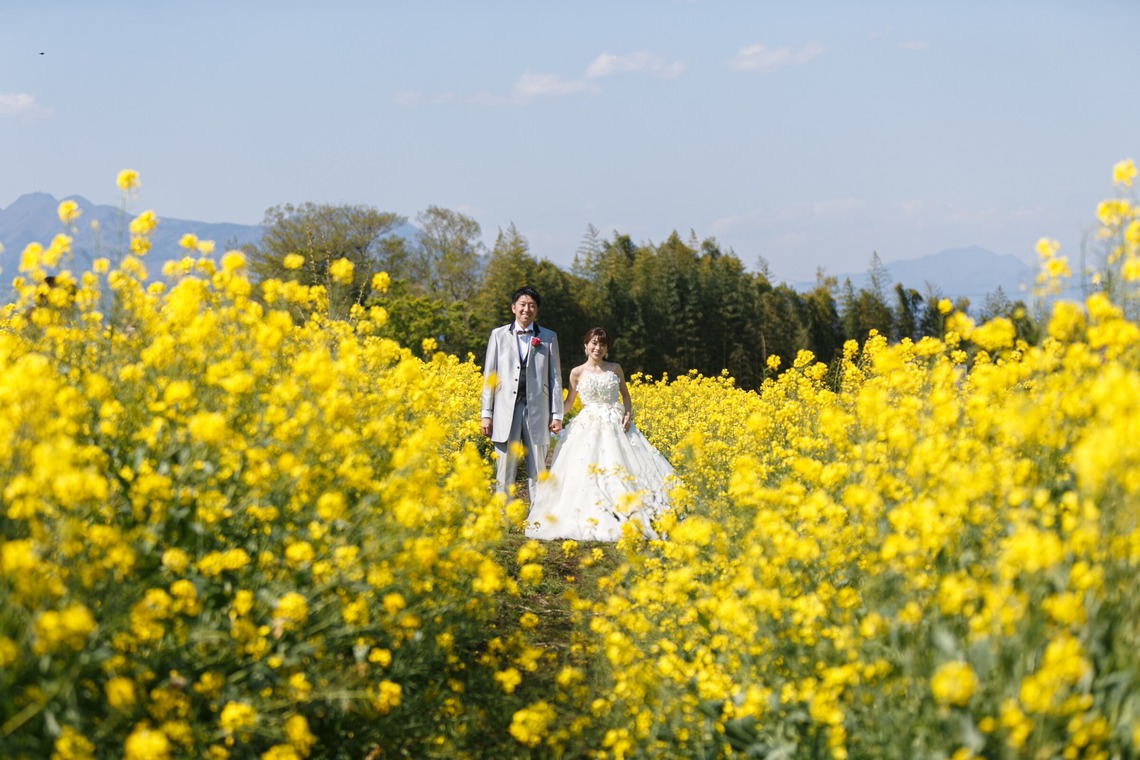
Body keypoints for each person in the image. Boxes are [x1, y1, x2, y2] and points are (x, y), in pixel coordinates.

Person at [524, 327, 676, 541]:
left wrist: (628, 414)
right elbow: (569, 402)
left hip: (616, 423)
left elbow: (626, 396)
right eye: (594, 343)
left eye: (602, 344)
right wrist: (555, 417)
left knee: (623, 467)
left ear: (607, 349)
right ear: (586, 345)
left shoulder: (615, 368)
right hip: (587, 425)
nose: (598, 348)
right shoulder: (576, 372)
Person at [481, 286, 564, 499]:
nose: (527, 309)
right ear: (513, 308)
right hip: (505, 409)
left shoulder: (549, 337)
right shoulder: (498, 335)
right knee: (505, 467)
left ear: (537, 310)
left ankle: (538, 513)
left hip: (537, 410)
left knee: (538, 467)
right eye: (523, 305)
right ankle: (503, 513)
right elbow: (490, 376)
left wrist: (557, 414)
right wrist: (486, 414)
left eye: (532, 306)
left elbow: (555, 378)